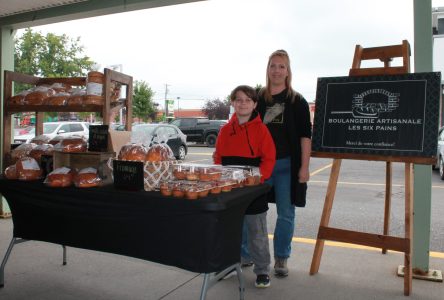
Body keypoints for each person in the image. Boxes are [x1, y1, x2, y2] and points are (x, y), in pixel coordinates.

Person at [256, 49, 312, 278]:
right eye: (273, 65)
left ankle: (281, 258)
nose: (277, 70)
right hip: (260, 167)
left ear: (288, 71)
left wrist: (305, 168)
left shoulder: (297, 101)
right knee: (253, 213)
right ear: (267, 69)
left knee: (286, 214)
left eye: (282, 66)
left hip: (287, 166)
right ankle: (248, 254)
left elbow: (305, 137)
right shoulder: (257, 99)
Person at [213, 85, 276, 288]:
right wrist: (220, 177)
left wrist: (259, 179)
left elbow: (269, 159)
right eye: (238, 99)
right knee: (230, 232)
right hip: (229, 190)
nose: (243, 103)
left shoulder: (262, 130)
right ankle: (230, 265)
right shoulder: (224, 130)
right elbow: (218, 158)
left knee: (256, 233)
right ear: (232, 102)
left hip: (253, 190)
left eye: (248, 100)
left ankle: (262, 270)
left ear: (255, 104)